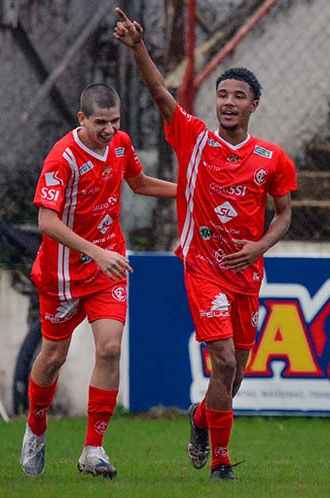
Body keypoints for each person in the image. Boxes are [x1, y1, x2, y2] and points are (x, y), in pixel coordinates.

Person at [114, 8, 297, 481]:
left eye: (239, 95)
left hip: (247, 275)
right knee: (224, 361)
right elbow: (159, 93)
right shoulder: (194, 139)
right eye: (222, 94)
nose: (228, 101)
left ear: (254, 105)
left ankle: (200, 419)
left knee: (231, 380)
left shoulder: (272, 159)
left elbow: (285, 214)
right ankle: (220, 463)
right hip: (202, 268)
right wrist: (138, 48)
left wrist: (260, 247)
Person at [21, 83, 176, 479]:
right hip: (62, 274)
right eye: (100, 123)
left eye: (115, 121)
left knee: (109, 350)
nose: (109, 130)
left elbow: (139, 184)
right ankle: (36, 427)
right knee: (53, 357)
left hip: (108, 267)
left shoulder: (121, 145)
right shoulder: (63, 158)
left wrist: (189, 192)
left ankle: (93, 449)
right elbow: (46, 222)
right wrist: (96, 251)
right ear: (82, 119)